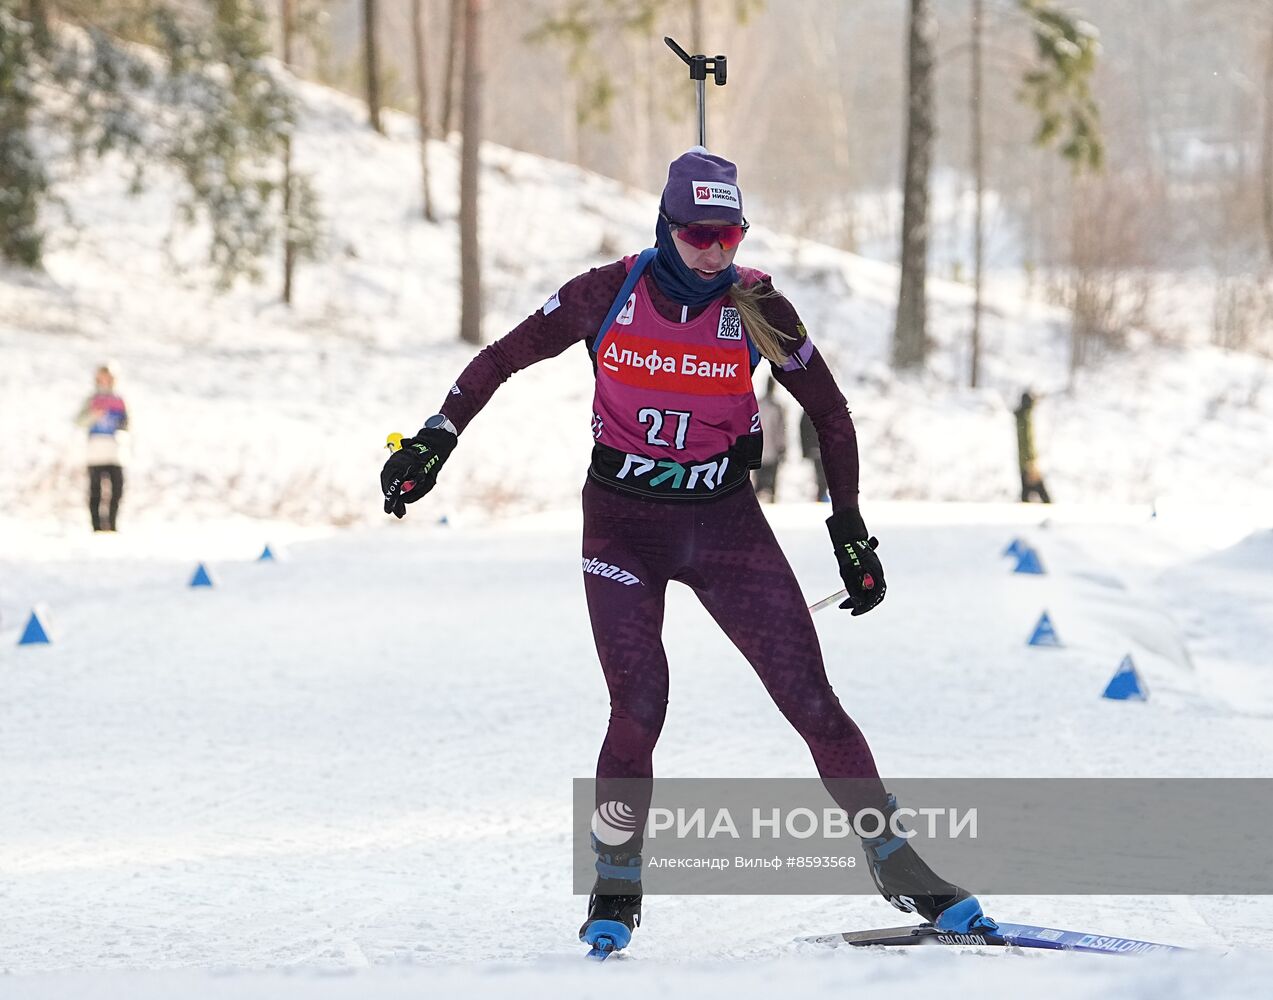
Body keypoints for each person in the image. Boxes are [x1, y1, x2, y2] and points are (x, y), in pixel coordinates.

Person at [380, 148, 995, 954]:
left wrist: (847, 529)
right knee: (639, 706)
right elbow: (499, 359)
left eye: (729, 235)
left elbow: (831, 414)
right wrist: (436, 438)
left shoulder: (757, 306)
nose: (714, 252)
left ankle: (897, 864)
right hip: (621, 524)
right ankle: (616, 882)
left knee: (811, 701)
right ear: (666, 227)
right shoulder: (605, 291)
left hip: (724, 522)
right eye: (699, 234)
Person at [75, 364, 129, 532]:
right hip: (95, 450)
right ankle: (96, 526)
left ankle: (112, 524)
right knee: (96, 490)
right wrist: (94, 416)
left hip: (115, 450)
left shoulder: (120, 400)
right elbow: (79, 421)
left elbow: (129, 423)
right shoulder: (91, 399)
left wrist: (122, 427)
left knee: (117, 489)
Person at [752, 375, 786, 502]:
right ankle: (771, 499)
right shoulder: (776, 407)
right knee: (771, 481)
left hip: (759, 447)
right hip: (772, 449)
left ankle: (756, 502)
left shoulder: (758, 404)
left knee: (759, 480)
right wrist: (782, 447)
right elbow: (780, 429)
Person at [1013, 390, 1051, 503]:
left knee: (1026, 494)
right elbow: (1027, 442)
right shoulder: (1025, 418)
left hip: (1024, 461)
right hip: (1028, 462)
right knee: (1043, 495)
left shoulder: (1022, 416)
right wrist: (1030, 461)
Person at [800, 409, 829, 502]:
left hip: (818, 448)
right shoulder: (812, 411)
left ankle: (822, 495)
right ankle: (821, 496)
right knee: (822, 475)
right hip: (817, 449)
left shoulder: (808, 411)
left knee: (822, 474)